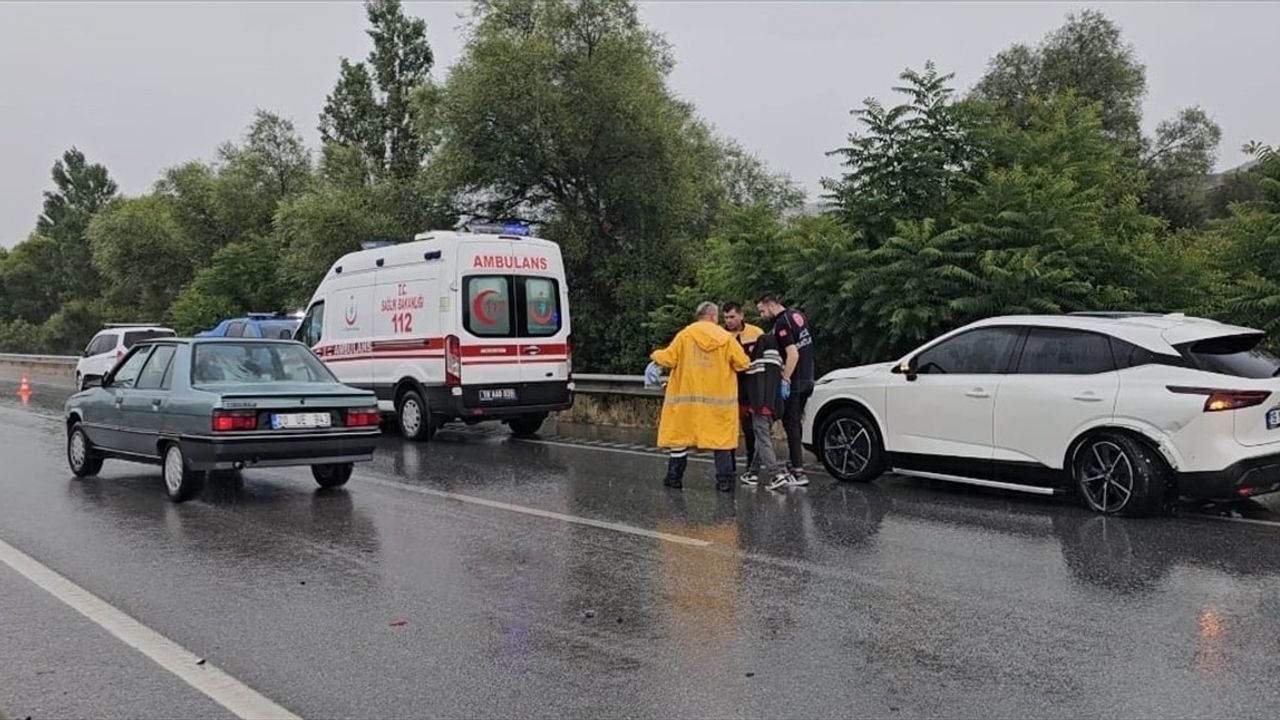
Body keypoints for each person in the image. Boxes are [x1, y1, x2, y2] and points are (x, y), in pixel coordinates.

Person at [647, 301, 751, 492]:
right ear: (713, 316)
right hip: (719, 404)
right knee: (722, 443)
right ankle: (724, 482)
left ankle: (674, 478)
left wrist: (654, 356)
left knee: (680, 441)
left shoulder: (685, 335)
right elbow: (743, 363)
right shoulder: (726, 338)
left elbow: (668, 358)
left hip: (688, 405)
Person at [755, 293, 816, 487]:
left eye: (762, 310)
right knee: (795, 423)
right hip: (808, 377)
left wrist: (785, 379)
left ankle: (798, 472)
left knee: (791, 424)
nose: (762, 315)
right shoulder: (798, 315)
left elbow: (793, 354)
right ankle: (794, 464)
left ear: (770, 305)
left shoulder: (782, 323)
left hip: (796, 380)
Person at [738, 332, 793, 491]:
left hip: (759, 408)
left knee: (763, 440)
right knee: (762, 440)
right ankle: (753, 474)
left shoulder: (756, 364)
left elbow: (748, 387)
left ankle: (775, 475)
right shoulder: (779, 363)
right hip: (775, 409)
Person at [722, 302, 764, 473]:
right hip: (728, 387)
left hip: (750, 387)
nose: (729, 321)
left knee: (750, 429)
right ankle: (729, 465)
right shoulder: (721, 335)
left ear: (741, 315)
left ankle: (751, 465)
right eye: (726, 318)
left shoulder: (756, 333)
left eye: (732, 317)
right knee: (728, 429)